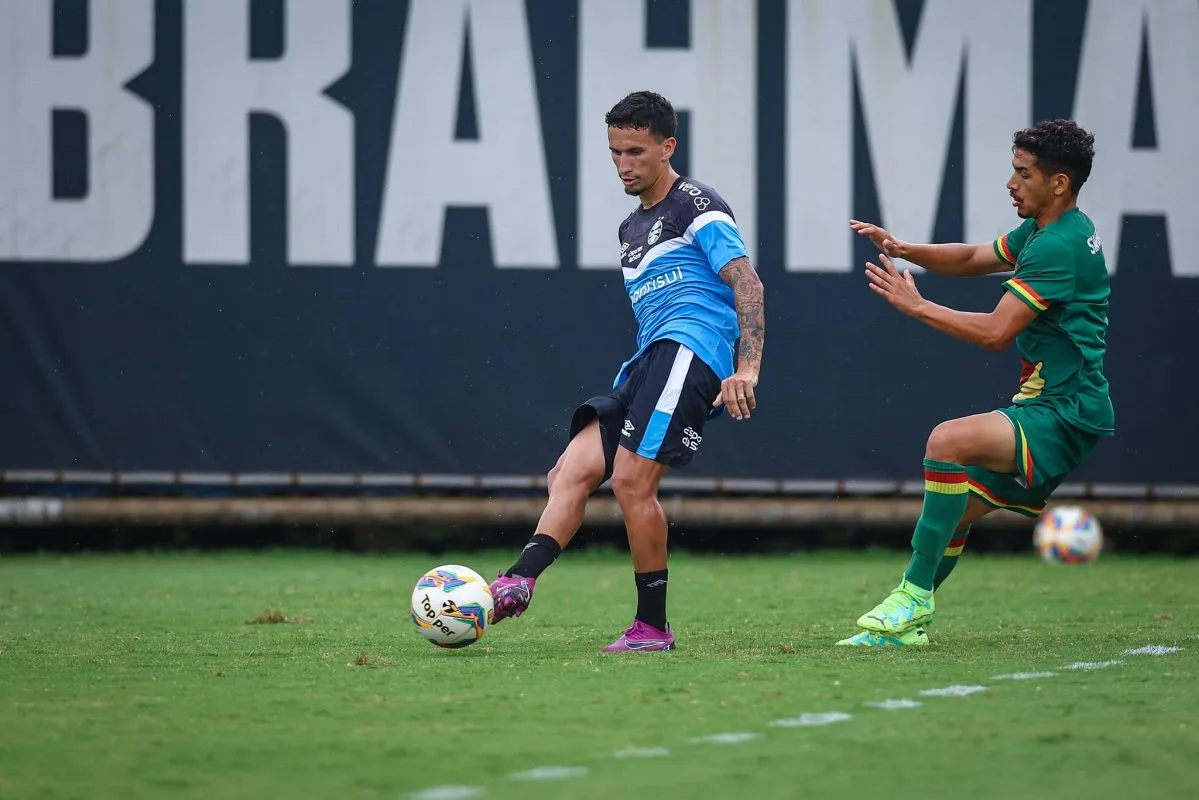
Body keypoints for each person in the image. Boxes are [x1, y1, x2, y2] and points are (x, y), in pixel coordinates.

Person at [487, 90, 765, 653]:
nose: (623, 165)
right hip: (646, 362)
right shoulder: (630, 229)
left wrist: (747, 368)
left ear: (668, 147)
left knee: (633, 481)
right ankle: (518, 579)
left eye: (636, 152)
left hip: (689, 351)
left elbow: (748, 282)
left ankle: (652, 628)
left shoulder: (697, 206)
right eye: (615, 152)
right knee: (569, 472)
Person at [839, 119, 1114, 646]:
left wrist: (917, 306)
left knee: (948, 441)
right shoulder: (1049, 232)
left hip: (1064, 410)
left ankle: (912, 600)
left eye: (1022, 172)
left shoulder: (1057, 245)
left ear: (1059, 183)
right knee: (955, 513)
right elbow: (972, 258)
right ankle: (906, 622)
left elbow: (994, 333)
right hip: (1066, 406)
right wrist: (902, 249)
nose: (1011, 183)